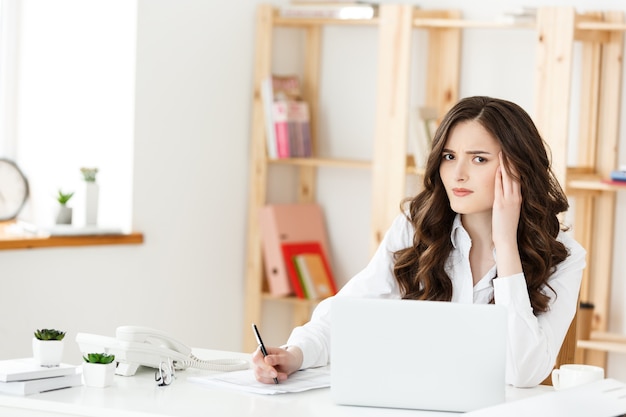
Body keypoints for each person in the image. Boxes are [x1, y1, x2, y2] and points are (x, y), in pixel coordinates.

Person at [252, 96, 586, 388]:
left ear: (518, 169)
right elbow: (350, 311)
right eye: (450, 156)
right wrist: (296, 353)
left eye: (479, 159)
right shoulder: (417, 229)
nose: (458, 174)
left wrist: (506, 244)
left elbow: (523, 372)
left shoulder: (565, 257)